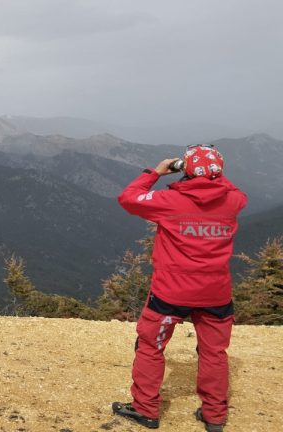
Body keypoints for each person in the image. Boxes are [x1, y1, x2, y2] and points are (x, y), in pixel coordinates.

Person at [112, 145, 246, 431]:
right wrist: (213, 174)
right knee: (214, 353)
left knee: (151, 346)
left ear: (185, 170)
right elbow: (232, 189)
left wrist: (157, 172)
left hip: (170, 293)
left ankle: (145, 410)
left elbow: (128, 198)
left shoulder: (170, 200)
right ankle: (214, 416)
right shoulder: (234, 200)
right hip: (216, 293)